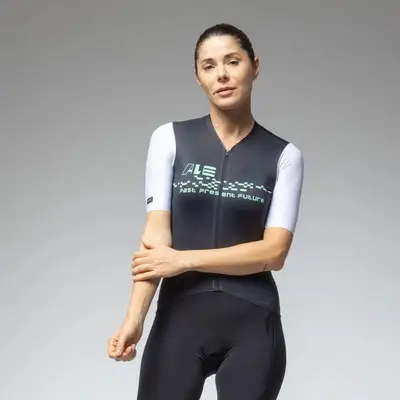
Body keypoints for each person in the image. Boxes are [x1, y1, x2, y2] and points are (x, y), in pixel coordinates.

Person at [108, 23, 304, 400]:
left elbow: (274, 253)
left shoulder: (284, 156)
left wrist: (183, 260)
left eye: (233, 61)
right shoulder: (169, 139)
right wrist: (134, 319)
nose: (222, 75)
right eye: (209, 66)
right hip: (179, 320)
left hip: (253, 324)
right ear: (198, 78)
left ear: (254, 66)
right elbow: (155, 242)